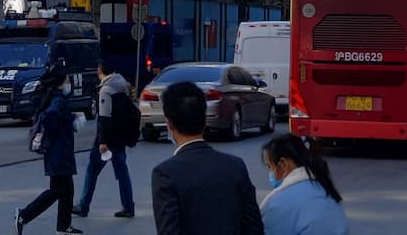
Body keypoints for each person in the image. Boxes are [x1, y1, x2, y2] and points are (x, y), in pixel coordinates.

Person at [151, 80, 263, 235]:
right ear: (205, 120)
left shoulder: (165, 174)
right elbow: (254, 228)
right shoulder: (235, 166)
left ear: (169, 124)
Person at [15, 66, 83, 235]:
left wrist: (72, 119)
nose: (69, 83)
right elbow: (52, 118)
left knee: (67, 189)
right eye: (67, 80)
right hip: (59, 153)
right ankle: (24, 215)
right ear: (60, 83)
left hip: (60, 152)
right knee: (57, 191)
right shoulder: (58, 100)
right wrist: (59, 133)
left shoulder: (54, 97)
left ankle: (64, 226)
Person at [73, 61, 135, 219]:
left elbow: (104, 118)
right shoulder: (123, 85)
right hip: (120, 137)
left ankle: (83, 205)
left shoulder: (106, 90)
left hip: (108, 139)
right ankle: (128, 206)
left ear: (99, 71)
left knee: (92, 170)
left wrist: (102, 141)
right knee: (122, 172)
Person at [260, 133, 349, 235]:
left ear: (283, 164)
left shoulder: (277, 203)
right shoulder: (324, 188)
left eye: (269, 167)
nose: (270, 173)